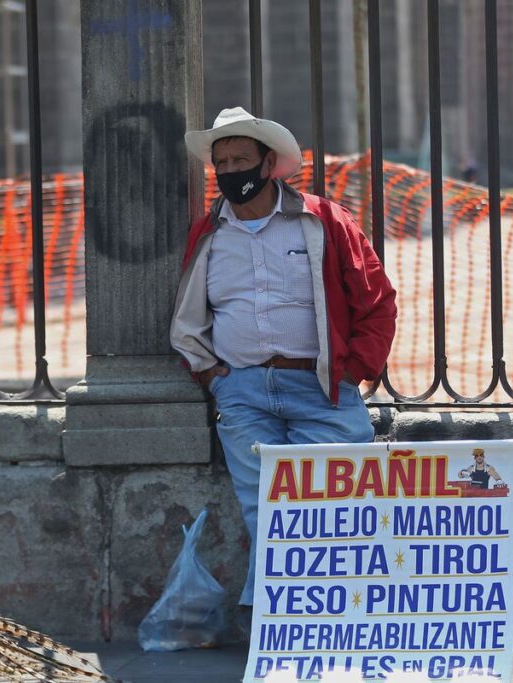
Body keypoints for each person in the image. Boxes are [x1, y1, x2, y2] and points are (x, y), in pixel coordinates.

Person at [170, 107, 397, 609]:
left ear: (268, 162)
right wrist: (211, 375)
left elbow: (376, 300)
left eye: (240, 159)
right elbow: (189, 313)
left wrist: (354, 372)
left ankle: (329, 615)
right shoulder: (208, 233)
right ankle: (277, 624)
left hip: (321, 392)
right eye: (221, 162)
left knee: (342, 507)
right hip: (243, 394)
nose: (231, 170)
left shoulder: (324, 220)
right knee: (265, 512)